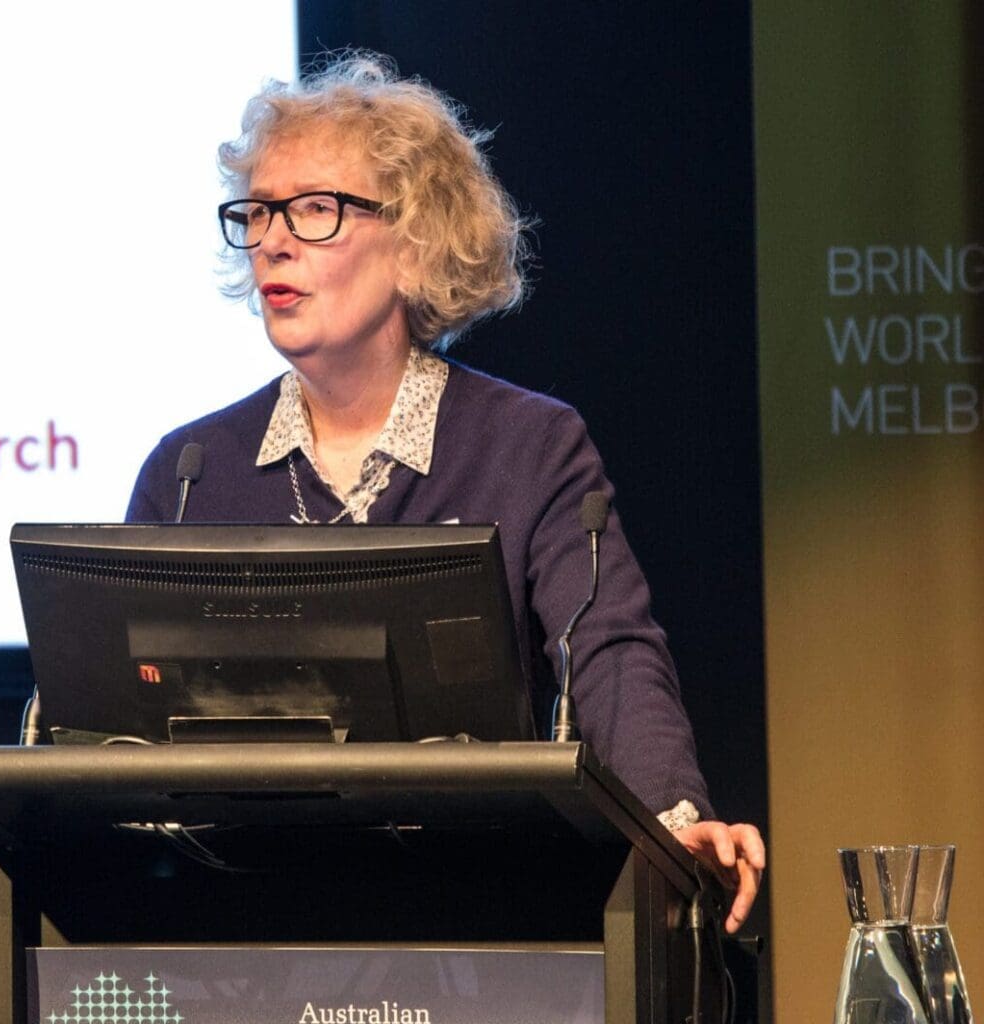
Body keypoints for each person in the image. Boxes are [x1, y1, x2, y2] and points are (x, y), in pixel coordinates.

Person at [126, 52, 764, 932]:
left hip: (475, 918)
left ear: (416, 240)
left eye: (314, 209)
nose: (273, 238)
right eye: (260, 212)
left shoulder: (527, 446)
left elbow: (610, 650)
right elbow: (122, 728)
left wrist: (672, 824)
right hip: (241, 920)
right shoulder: (189, 472)